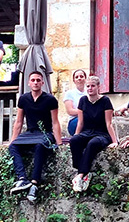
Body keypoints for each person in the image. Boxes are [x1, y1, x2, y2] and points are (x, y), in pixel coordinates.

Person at [8, 71, 62, 202]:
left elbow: (55, 122)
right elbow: (19, 122)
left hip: (45, 133)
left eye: (38, 80)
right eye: (33, 80)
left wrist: (59, 143)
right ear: (29, 82)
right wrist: (12, 140)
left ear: (42, 83)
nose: (36, 82)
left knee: (40, 146)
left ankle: (34, 183)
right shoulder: (23, 99)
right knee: (13, 147)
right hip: (30, 133)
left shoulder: (50, 99)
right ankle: (22, 179)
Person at [69, 78, 114, 193]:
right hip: (87, 132)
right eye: (88, 86)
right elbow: (80, 122)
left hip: (102, 134)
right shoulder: (83, 100)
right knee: (74, 140)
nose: (90, 88)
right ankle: (83, 173)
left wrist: (115, 141)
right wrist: (76, 135)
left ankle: (80, 176)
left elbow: (109, 123)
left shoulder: (105, 101)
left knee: (93, 143)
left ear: (98, 87)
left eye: (93, 86)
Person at [61, 69, 87, 139]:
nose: (79, 78)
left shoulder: (89, 92)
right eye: (77, 77)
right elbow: (70, 111)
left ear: (85, 79)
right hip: (75, 121)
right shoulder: (69, 93)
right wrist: (87, 112)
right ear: (74, 80)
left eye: (81, 76)